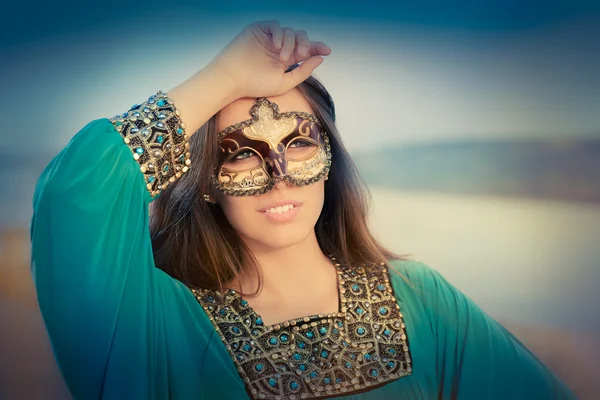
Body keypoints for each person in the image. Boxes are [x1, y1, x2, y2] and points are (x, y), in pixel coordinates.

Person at [30, 20, 576, 400]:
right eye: (242, 152)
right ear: (205, 187)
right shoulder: (156, 325)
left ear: (331, 155)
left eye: (299, 143)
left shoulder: (421, 299)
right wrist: (225, 77)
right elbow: (75, 195)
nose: (279, 174)